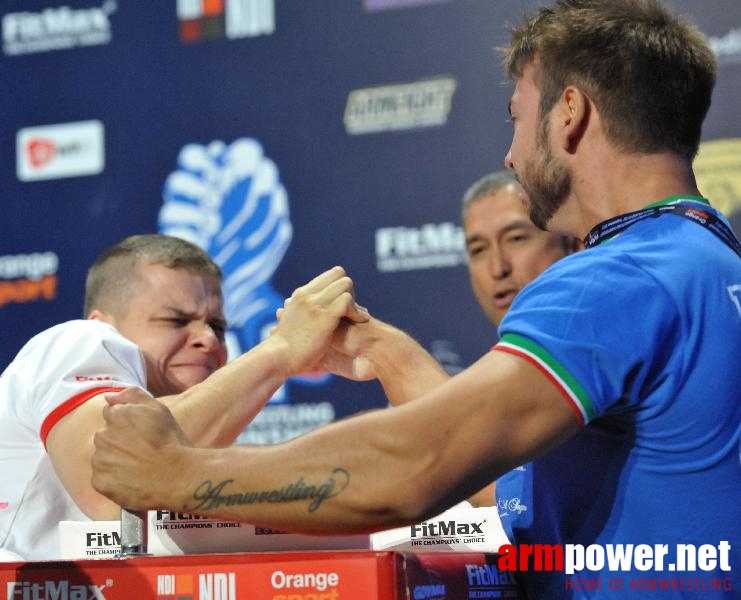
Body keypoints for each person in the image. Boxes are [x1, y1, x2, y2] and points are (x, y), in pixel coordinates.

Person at [91, 1, 741, 597]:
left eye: (516, 117)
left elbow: (415, 467)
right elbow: (497, 479)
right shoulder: (704, 259)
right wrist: (385, 351)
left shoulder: (614, 280)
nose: (510, 156)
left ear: (568, 113)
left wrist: (175, 473)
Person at [0, 234, 365, 563]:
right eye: (176, 320)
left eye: (219, 326)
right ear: (104, 322)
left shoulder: (195, 425)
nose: (208, 339)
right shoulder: (77, 340)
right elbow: (117, 486)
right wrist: (281, 351)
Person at [460, 170, 579, 511]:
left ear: (571, 244)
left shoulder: (596, 357)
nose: (498, 268)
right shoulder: (488, 374)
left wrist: (388, 353)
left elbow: (507, 499)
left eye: (515, 238)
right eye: (478, 249)